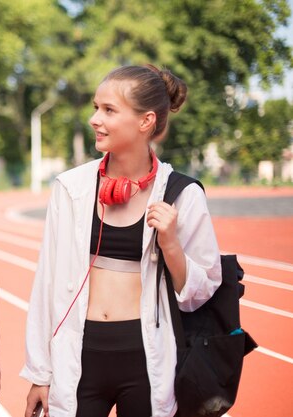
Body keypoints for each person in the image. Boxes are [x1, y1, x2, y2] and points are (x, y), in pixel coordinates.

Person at [20, 64, 222, 417]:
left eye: (109, 110)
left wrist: (171, 244)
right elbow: (47, 282)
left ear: (146, 122)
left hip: (147, 358)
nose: (95, 119)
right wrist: (40, 373)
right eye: (96, 107)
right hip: (79, 355)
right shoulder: (71, 188)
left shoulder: (183, 194)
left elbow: (200, 293)